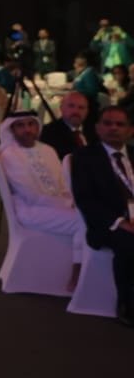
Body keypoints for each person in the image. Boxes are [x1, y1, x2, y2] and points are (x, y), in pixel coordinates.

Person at [68, 106, 134, 326]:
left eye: (120, 124)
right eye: (107, 123)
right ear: (97, 128)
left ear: (130, 130)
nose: (113, 128)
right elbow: (85, 199)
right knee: (129, 242)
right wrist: (121, 222)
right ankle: (127, 303)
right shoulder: (85, 157)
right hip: (107, 225)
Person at [0, 111, 84, 276]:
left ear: (37, 126)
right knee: (85, 223)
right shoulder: (9, 155)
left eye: (31, 124)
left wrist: (72, 201)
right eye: (20, 126)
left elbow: (63, 183)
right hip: (30, 210)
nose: (27, 130)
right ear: (11, 129)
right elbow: (29, 194)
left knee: (92, 216)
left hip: (56, 206)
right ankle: (76, 275)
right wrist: (67, 205)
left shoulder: (48, 150)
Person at [41, 91, 93, 159]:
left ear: (87, 111)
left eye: (81, 107)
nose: (76, 111)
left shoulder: (94, 131)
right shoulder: (48, 133)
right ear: (61, 108)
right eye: (71, 106)